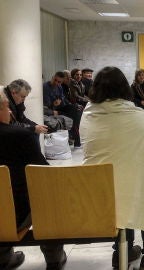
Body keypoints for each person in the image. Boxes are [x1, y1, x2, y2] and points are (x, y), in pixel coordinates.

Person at [81, 66, 144, 270]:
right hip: (132, 182)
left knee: (120, 189)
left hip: (98, 186)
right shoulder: (138, 116)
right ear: (124, 88)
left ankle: (123, 251)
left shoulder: (88, 114)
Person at [0, 91, 67, 270]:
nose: (11, 113)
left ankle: (3, 256)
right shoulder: (19, 135)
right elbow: (43, 173)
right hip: (16, 215)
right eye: (7, 107)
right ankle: (54, 258)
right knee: (47, 195)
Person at [43, 71, 82, 147]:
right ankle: (76, 139)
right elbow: (47, 104)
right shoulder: (45, 87)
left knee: (75, 110)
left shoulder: (59, 87)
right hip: (51, 109)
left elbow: (62, 98)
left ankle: (76, 138)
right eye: (55, 80)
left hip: (60, 107)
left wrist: (60, 101)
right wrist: (54, 104)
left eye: (59, 82)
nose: (56, 83)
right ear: (52, 77)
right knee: (73, 114)